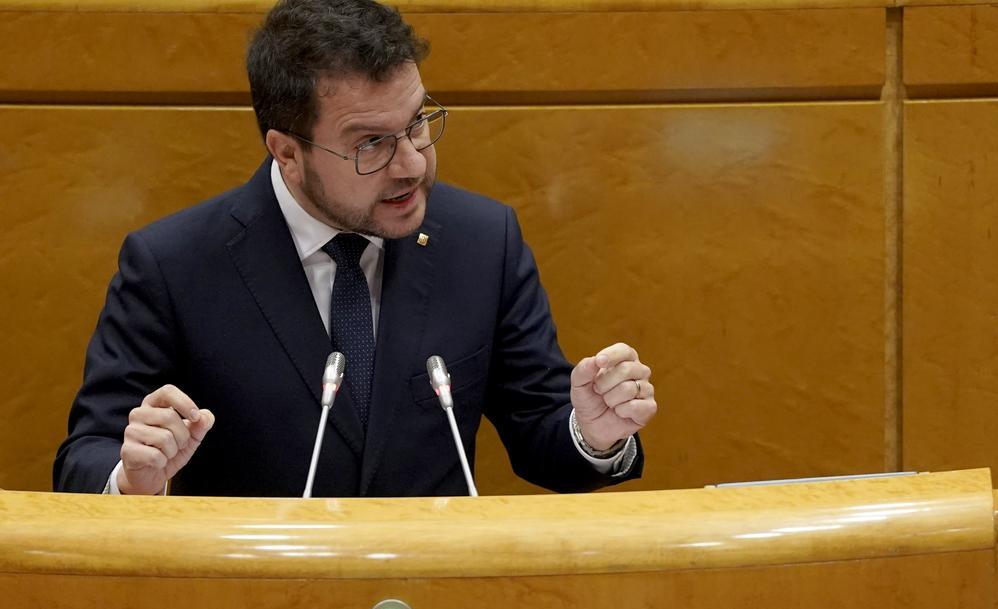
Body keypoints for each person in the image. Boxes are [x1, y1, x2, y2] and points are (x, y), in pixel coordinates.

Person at [52, 0, 656, 497]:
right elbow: (87, 457)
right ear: (287, 153)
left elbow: (542, 437)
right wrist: (133, 480)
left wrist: (593, 434)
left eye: (417, 123)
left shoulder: (482, 241)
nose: (413, 165)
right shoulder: (173, 265)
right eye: (371, 144)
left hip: (434, 602)